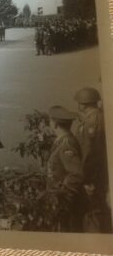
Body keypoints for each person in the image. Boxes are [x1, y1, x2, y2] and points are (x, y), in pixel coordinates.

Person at [72, 87, 111, 233]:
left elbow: (90, 151)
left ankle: (96, 237)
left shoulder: (92, 121)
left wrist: (87, 177)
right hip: (98, 171)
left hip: (93, 174)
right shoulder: (96, 116)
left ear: (83, 103)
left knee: (93, 209)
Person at [46, 106, 84, 232]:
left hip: (64, 204)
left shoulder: (66, 144)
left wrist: (63, 194)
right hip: (59, 203)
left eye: (50, 121)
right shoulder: (61, 141)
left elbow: (77, 174)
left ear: (55, 124)